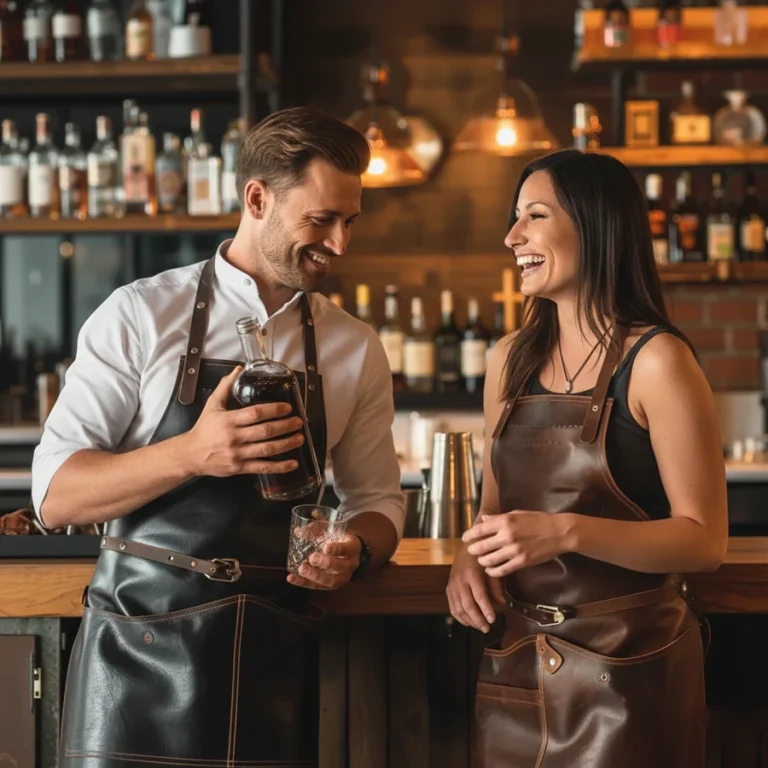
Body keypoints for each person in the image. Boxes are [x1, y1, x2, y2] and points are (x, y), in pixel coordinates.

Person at [32, 107, 405, 767]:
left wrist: (358, 548)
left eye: (350, 221)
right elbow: (56, 495)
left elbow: (378, 502)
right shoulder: (141, 314)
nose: (341, 244)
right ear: (257, 198)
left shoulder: (354, 346)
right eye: (321, 220)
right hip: (134, 658)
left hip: (273, 660)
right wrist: (192, 454)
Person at [446, 149, 727, 767]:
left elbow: (704, 542)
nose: (511, 236)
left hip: (630, 673)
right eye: (515, 217)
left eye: (535, 216)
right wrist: (470, 554)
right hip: (517, 663)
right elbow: (494, 508)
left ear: (596, 226)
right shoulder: (507, 360)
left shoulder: (657, 361)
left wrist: (564, 533)